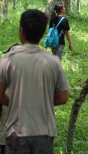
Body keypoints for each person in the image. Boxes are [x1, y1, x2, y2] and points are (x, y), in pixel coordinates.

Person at [0, 9, 70, 154]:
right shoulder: (53, 62)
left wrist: (17, 103)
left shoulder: (8, 60)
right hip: (44, 132)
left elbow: (0, 95)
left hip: (16, 132)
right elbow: (63, 98)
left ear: (21, 31)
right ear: (43, 32)